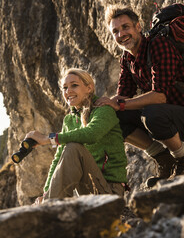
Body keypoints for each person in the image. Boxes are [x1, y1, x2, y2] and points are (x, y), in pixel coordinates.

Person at [95, 5, 184, 187]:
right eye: (115, 31)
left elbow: (160, 96)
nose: (121, 34)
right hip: (167, 117)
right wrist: (108, 105)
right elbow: (123, 96)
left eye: (125, 27)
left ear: (138, 27)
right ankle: (163, 158)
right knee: (114, 116)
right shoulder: (127, 59)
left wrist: (121, 105)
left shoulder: (158, 45)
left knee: (151, 113)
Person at [24, 68, 127, 201]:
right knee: (68, 150)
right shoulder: (69, 120)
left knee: (73, 147)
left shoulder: (103, 109)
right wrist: (45, 193)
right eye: (65, 88)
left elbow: (91, 134)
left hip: (110, 191)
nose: (68, 91)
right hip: (84, 191)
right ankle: (49, 204)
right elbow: (58, 160)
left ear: (89, 88)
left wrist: (49, 139)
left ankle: (50, 210)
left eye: (74, 85)